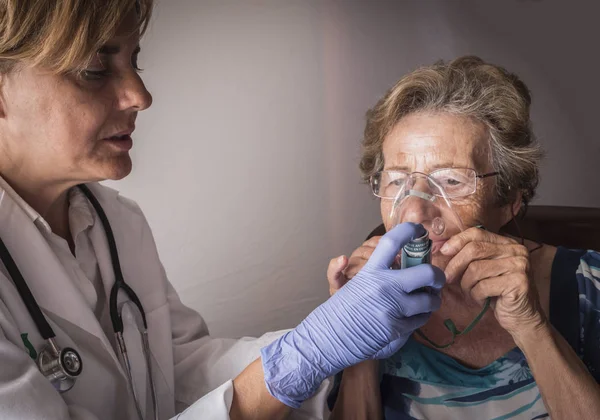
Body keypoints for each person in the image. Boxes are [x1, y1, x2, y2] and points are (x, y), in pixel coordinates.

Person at [0, 1, 446, 419]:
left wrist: (336, 341)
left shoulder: (118, 223)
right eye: (95, 70)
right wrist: (312, 352)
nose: (140, 94)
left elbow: (179, 371)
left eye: (134, 62)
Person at [326, 56, 600, 419]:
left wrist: (530, 325)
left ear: (509, 201)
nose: (414, 212)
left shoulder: (590, 288)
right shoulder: (365, 290)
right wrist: (357, 338)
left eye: (451, 181)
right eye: (397, 180)